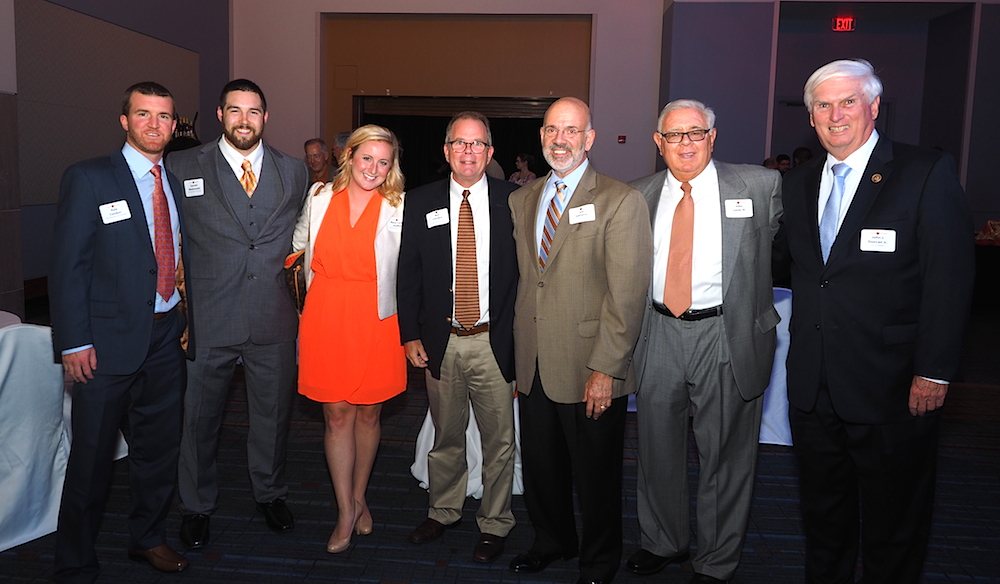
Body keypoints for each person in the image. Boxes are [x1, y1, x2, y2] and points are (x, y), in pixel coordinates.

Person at [779, 58, 974, 583]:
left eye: (848, 102)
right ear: (811, 117)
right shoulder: (795, 184)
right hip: (813, 388)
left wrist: (934, 369)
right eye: (823, 104)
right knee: (823, 520)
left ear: (874, 107)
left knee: (894, 525)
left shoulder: (922, 172)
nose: (835, 114)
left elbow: (949, 279)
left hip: (892, 386)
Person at [627, 99, 782, 584]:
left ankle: (715, 560)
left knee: (726, 453)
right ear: (659, 143)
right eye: (674, 136)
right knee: (656, 448)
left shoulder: (758, 185)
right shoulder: (639, 195)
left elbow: (785, 247)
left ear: (713, 137)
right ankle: (664, 541)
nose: (685, 144)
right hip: (657, 333)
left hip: (726, 333)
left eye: (696, 133)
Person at [507, 97, 652, 584]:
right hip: (535, 364)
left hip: (592, 366)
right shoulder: (521, 199)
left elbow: (627, 295)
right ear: (542, 137)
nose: (560, 139)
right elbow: (529, 284)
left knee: (596, 477)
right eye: (551, 130)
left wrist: (607, 369)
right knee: (544, 470)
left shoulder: (620, 200)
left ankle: (598, 561)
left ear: (589, 139)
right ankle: (553, 540)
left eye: (571, 131)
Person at [50, 81, 190, 581]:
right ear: (124, 120)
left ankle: (148, 538)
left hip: (164, 338)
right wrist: (72, 340)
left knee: (158, 450)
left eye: (165, 116)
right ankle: (75, 561)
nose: (155, 124)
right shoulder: (89, 178)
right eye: (144, 114)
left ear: (175, 125)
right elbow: (68, 266)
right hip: (102, 345)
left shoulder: (172, 183)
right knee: (90, 458)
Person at [166, 79, 309, 549]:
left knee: (272, 416)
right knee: (198, 419)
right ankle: (196, 505)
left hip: (273, 319)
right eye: (235, 110)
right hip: (207, 318)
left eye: (253, 111)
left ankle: (269, 493)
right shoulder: (182, 164)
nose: (244, 120)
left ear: (266, 117)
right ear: (219, 114)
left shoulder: (294, 172)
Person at [397, 112, 518, 563]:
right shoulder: (420, 200)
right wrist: (409, 334)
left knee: (498, 442)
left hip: (494, 342)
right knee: (445, 437)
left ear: (489, 153)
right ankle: (443, 510)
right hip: (440, 342)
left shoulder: (514, 201)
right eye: (459, 143)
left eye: (477, 144)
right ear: (446, 151)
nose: (468, 152)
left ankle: (495, 522)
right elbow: (406, 274)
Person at [292, 124, 406, 553]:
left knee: (369, 415)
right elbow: (299, 243)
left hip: (377, 318)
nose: (373, 168)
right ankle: (344, 509)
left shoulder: (398, 205)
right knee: (336, 415)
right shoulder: (320, 197)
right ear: (348, 156)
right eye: (366, 158)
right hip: (326, 313)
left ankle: (360, 497)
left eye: (383, 161)